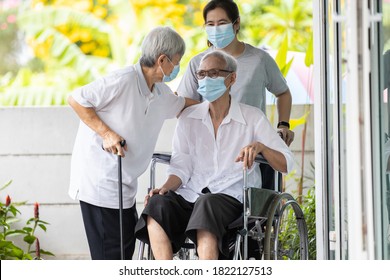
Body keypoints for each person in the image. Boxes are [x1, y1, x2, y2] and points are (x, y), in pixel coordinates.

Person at [135, 50, 294, 260]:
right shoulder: (189, 118)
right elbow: (181, 166)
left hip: (232, 199)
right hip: (192, 195)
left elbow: (286, 163)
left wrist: (261, 147)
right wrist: (165, 188)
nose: (206, 79)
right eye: (201, 74)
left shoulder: (252, 117)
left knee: (207, 204)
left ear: (232, 78)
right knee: (157, 204)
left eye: (213, 73)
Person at [68, 26, 197, 260]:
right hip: (100, 183)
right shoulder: (123, 80)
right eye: (177, 62)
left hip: (125, 188)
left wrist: (217, 104)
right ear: (162, 60)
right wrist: (106, 133)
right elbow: (77, 99)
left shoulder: (160, 93)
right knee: (111, 258)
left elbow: (183, 103)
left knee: (125, 253)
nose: (177, 67)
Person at [177, 0, 295, 146]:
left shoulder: (259, 60)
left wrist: (283, 124)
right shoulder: (197, 63)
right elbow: (183, 105)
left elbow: (283, 92)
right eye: (210, 24)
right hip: (211, 144)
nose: (216, 29)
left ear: (236, 23)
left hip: (251, 145)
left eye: (221, 23)